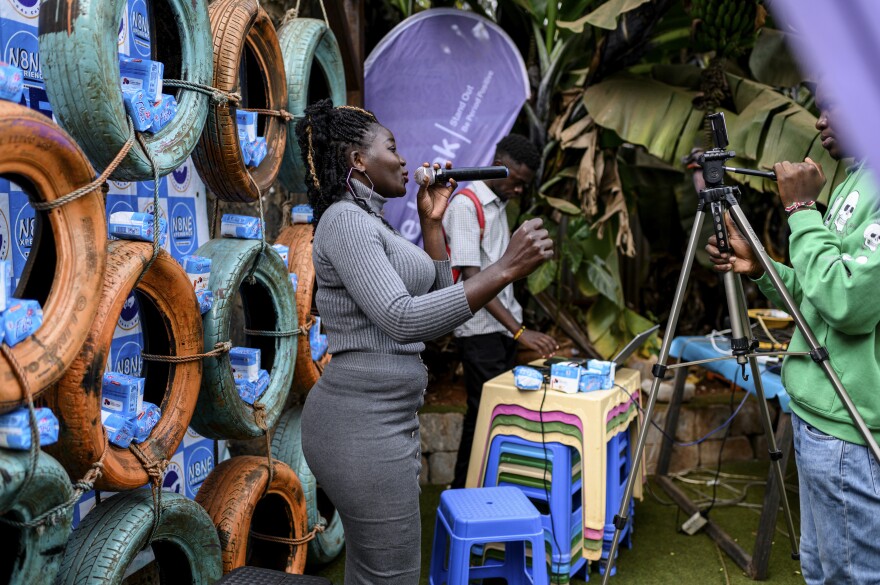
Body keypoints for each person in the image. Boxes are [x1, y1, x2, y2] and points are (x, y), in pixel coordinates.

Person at [295, 99, 554, 584]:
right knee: (390, 576)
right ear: (358, 160)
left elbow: (437, 308)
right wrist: (505, 268)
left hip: (384, 421)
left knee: (376, 573)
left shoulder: (372, 222)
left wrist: (432, 223)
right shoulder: (345, 222)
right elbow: (401, 319)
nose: (403, 159)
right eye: (391, 148)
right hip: (359, 427)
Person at [705, 84, 880, 584]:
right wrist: (762, 267)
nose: (820, 120)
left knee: (854, 577)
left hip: (851, 424)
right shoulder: (855, 179)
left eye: (834, 105)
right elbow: (819, 298)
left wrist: (802, 212)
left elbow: (848, 305)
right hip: (815, 411)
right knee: (820, 572)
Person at [442, 133, 558, 490]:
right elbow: (474, 281)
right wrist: (522, 333)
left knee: (494, 413)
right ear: (500, 165)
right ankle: (464, 490)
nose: (521, 190)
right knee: (484, 414)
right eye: (518, 182)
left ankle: (487, 486)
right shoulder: (465, 205)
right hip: (479, 331)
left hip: (503, 328)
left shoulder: (497, 203)